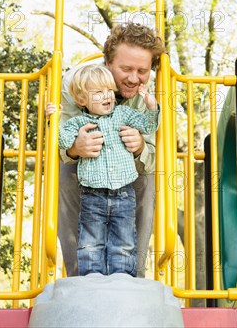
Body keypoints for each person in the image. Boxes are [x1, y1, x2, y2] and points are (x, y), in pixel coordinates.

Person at [56, 23, 165, 277]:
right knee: (65, 173)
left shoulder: (150, 93)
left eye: (142, 70)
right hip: (87, 170)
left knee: (147, 180)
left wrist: (139, 147)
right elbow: (60, 144)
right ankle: (79, 276)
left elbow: (151, 155)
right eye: (125, 68)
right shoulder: (75, 84)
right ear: (107, 64)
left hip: (126, 176)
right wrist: (74, 148)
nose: (133, 78)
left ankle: (131, 276)